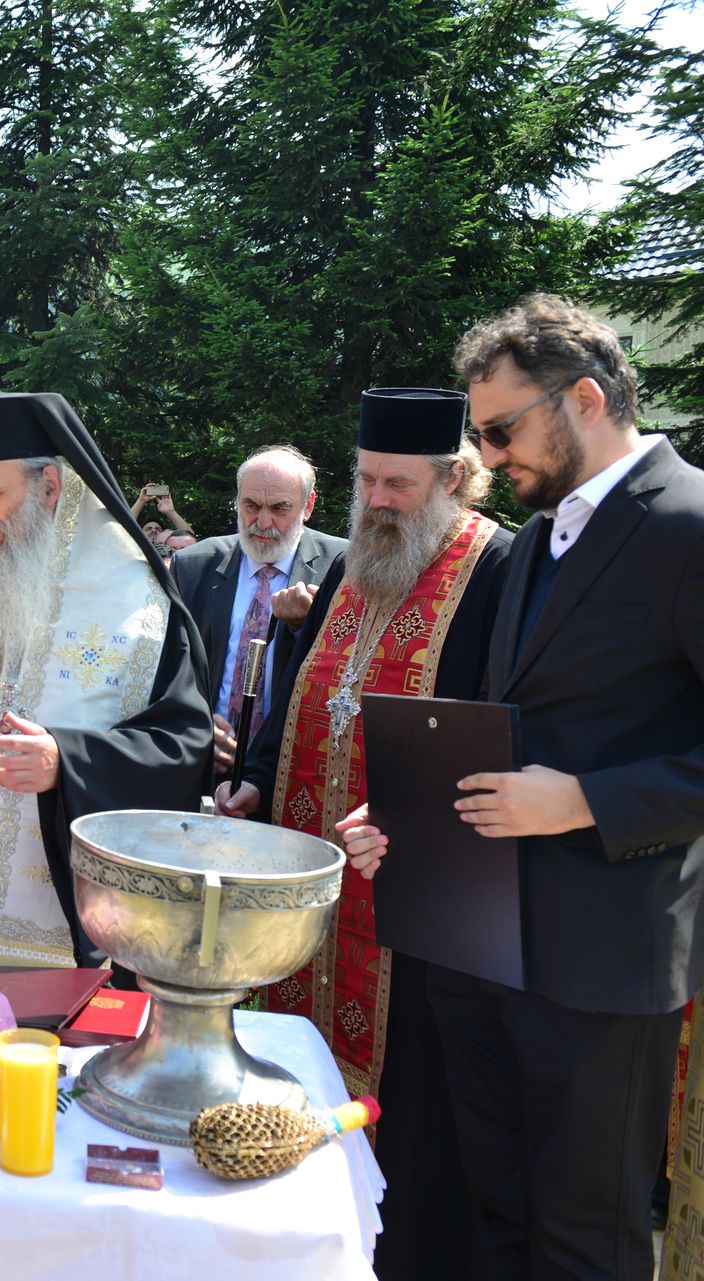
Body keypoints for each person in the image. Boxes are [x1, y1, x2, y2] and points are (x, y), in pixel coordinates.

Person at [336, 297, 704, 1279]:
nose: (488, 457)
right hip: (481, 950)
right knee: (497, 1219)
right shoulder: (536, 538)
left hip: (602, 956)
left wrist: (583, 800)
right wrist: (407, 814)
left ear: (584, 400)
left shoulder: (691, 524)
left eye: (500, 431)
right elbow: (496, 723)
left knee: (585, 1240)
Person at [216, 392, 512, 1281]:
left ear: (453, 480)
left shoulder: (495, 566)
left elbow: (499, 730)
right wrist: (257, 780)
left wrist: (411, 820)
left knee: (412, 1110)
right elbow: (306, 695)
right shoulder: (355, 565)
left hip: (416, 893)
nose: (378, 500)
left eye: (399, 483)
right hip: (310, 872)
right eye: (368, 480)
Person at [0, 392, 209, 969]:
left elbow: (182, 746)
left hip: (69, 933)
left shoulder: (135, 598)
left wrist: (67, 761)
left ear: (49, 489)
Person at [169, 445, 346, 788]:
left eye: (280, 508)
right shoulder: (193, 566)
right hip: (204, 770)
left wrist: (307, 626)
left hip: (293, 776)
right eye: (251, 506)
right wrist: (195, 722)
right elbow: (168, 668)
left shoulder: (343, 568)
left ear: (307, 507)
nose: (263, 523)